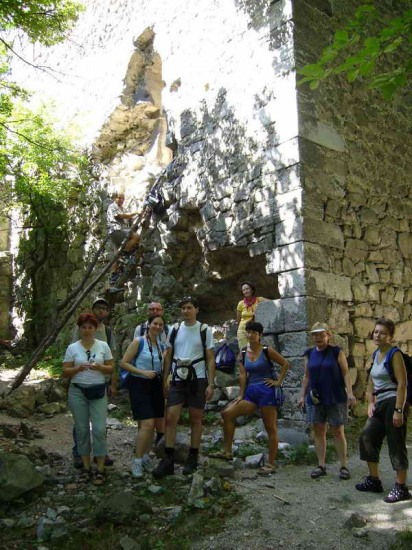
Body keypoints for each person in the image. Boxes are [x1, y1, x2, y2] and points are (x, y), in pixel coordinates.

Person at [210, 321, 290, 474]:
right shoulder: (243, 352)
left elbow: (285, 364)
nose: (250, 335)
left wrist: (278, 382)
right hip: (251, 392)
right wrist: (241, 394)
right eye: (248, 332)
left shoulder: (267, 350)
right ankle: (227, 451)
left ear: (260, 335)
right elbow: (242, 374)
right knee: (227, 413)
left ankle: (271, 464)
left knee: (270, 427)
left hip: (267, 392)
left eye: (254, 332)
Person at [152, 296, 215, 478]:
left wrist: (211, 383)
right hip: (177, 378)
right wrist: (165, 378)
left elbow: (210, 358)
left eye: (189, 307)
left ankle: (192, 457)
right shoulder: (175, 329)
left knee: (196, 418)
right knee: (171, 417)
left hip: (198, 378)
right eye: (183, 308)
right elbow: (168, 356)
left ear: (196, 309)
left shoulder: (204, 330)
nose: (185, 311)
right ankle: (168, 460)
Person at [356, 318, 411, 503]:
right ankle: (374, 480)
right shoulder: (376, 354)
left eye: (383, 333)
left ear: (390, 337)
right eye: (376, 331)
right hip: (379, 403)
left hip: (393, 401)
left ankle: (401, 487)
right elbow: (371, 381)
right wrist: (371, 402)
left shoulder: (394, 354)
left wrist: (398, 410)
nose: (378, 335)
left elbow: (402, 383)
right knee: (367, 437)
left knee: (396, 443)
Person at [298, 322, 356, 480]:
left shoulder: (337, 352)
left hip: (335, 396)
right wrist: (302, 396)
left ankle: (343, 466)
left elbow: (345, 373)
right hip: (315, 398)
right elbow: (306, 376)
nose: (318, 337)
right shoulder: (309, 353)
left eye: (321, 334)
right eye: (315, 335)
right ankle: (321, 465)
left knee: (338, 430)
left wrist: (350, 393)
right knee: (318, 430)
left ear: (328, 335)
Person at [63, 313, 113, 486]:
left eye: (90, 327)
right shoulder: (72, 348)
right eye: (83, 327)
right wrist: (77, 369)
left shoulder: (103, 345)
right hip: (77, 392)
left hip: (98, 391)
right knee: (82, 429)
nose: (87, 330)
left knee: (99, 429)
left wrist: (100, 367)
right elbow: (65, 371)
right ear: (79, 329)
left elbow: (111, 368)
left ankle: (100, 468)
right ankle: (86, 467)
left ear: (95, 328)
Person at [71, 298, 118, 468]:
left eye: (104, 308)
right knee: (81, 422)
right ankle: (79, 452)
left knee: (99, 423)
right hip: (80, 381)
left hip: (100, 381)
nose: (101, 311)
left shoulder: (109, 332)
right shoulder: (81, 328)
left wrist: (113, 384)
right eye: (98, 308)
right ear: (92, 309)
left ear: (107, 312)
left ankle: (100, 453)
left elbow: (112, 359)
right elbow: (72, 352)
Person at [121, 315, 166, 478]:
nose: (157, 327)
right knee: (147, 424)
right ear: (148, 325)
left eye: (160, 324)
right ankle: (137, 461)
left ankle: (146, 456)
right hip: (139, 384)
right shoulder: (138, 342)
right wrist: (143, 372)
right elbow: (123, 363)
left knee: (150, 425)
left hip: (156, 386)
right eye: (155, 323)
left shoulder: (161, 346)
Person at [106, 192, 148, 286]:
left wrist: (140, 215)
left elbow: (129, 218)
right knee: (136, 237)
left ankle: (113, 275)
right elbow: (121, 216)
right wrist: (135, 212)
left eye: (123, 198)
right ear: (115, 198)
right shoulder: (112, 207)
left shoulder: (123, 209)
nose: (121, 200)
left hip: (118, 231)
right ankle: (125, 255)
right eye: (119, 198)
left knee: (116, 254)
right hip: (116, 230)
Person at [236, 281, 267, 349]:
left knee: (255, 350)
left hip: (255, 330)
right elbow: (238, 320)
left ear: (252, 290)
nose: (245, 291)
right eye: (243, 290)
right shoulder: (241, 303)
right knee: (244, 351)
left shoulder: (259, 300)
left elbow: (273, 303)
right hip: (243, 331)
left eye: (247, 289)